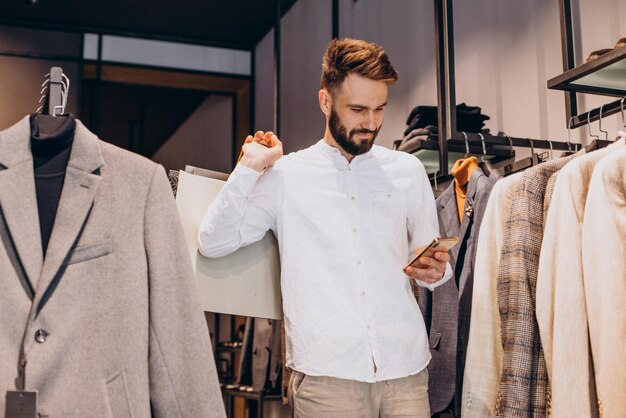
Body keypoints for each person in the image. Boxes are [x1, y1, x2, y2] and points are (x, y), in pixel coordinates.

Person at [198, 38, 452, 418]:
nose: (371, 122)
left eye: (380, 108)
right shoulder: (286, 176)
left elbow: (431, 263)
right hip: (327, 377)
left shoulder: (407, 172)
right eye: (358, 109)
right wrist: (248, 167)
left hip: (406, 372)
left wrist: (437, 272)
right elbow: (212, 242)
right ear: (326, 101)